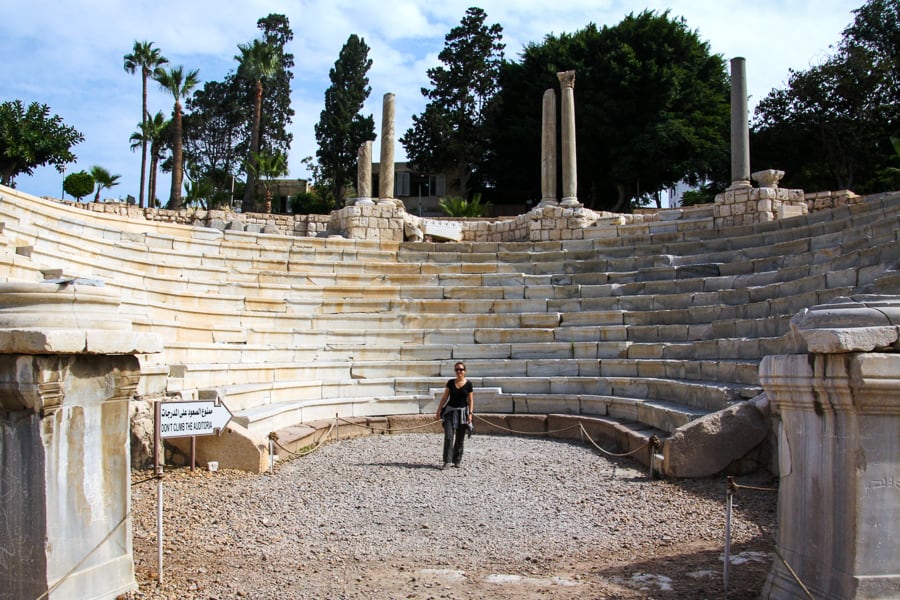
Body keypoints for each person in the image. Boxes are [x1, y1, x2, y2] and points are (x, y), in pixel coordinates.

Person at [435, 361, 474, 469]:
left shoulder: (469, 384)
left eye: (461, 369)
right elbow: (444, 397)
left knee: (460, 438)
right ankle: (447, 461)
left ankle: (457, 460)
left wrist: (470, 414)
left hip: (462, 413)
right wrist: (438, 411)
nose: (458, 371)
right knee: (449, 436)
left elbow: (470, 400)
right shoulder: (450, 383)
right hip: (450, 412)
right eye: (456, 369)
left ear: (464, 371)